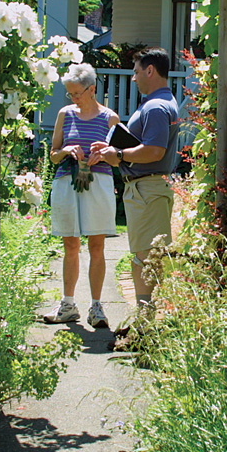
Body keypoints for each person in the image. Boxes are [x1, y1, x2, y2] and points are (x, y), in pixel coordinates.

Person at [91, 47, 180, 331]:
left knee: (145, 258)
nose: (133, 78)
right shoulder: (158, 103)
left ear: (150, 71)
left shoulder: (155, 107)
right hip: (146, 189)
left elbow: (154, 151)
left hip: (148, 190)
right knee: (144, 256)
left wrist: (118, 155)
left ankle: (145, 326)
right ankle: (144, 322)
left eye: (137, 72)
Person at [42, 63, 119, 328]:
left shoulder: (110, 118)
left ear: (92, 89)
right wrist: (66, 151)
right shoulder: (66, 114)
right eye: (70, 94)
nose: (73, 98)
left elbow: (118, 160)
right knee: (70, 245)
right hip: (66, 182)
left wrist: (103, 154)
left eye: (77, 93)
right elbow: (53, 156)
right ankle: (68, 304)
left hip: (98, 183)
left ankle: (96, 307)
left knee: (96, 246)